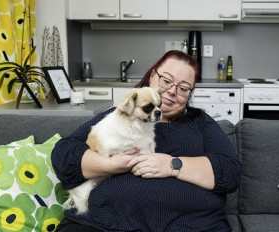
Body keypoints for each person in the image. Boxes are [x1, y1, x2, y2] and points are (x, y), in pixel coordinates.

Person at [52, 50, 242, 232]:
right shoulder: (119, 115)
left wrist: (172, 165)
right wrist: (109, 165)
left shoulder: (200, 123)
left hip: (191, 226)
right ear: (152, 76)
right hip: (103, 224)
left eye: (183, 88)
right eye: (166, 80)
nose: (171, 91)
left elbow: (230, 172)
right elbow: (63, 155)